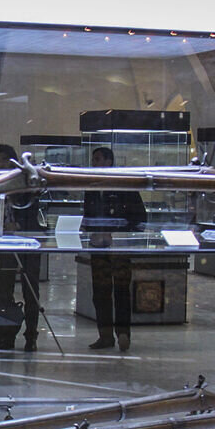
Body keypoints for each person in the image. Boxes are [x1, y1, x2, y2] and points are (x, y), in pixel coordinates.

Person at [82, 146, 147, 352]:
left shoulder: (123, 184)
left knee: (121, 291)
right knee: (100, 292)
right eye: (93, 160)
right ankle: (105, 335)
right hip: (98, 247)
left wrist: (117, 234)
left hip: (118, 248)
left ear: (109, 161)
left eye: (98, 159)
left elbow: (139, 217)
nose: (95, 163)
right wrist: (89, 231)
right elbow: (88, 214)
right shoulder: (91, 186)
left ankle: (123, 333)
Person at [0, 144, 42, 352]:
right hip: (4, 243)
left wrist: (17, 225)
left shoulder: (25, 181)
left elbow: (32, 210)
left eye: (4, 159)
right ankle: (6, 334)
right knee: (4, 290)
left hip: (27, 242)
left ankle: (31, 335)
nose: (0, 164)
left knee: (31, 290)